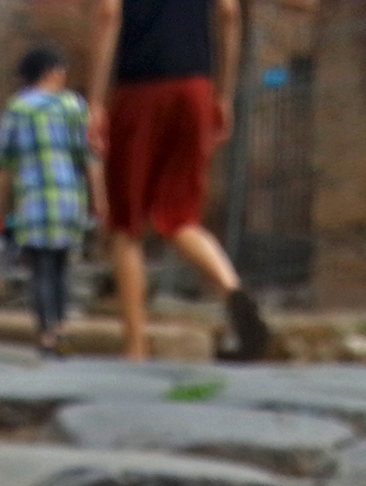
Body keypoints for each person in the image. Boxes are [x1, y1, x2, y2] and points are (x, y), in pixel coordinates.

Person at [88, 0, 273, 362]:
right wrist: (224, 93)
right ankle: (234, 294)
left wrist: (95, 100)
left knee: (128, 226)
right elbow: (230, 13)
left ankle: (136, 346)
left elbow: (107, 13)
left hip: (139, 88)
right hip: (194, 86)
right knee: (180, 217)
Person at [0, 46, 101, 358]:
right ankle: (62, 328)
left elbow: (4, 164)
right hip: (68, 197)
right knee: (63, 266)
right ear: (51, 71)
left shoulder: (17, 109)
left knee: (40, 268)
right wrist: (99, 200)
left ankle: (46, 334)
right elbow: (88, 157)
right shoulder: (73, 106)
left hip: (33, 199)